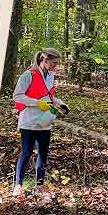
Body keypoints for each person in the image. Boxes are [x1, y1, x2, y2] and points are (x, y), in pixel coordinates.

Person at [11, 48, 66, 196]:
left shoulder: (51, 75)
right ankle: (18, 185)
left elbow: (49, 96)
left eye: (57, 63)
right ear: (45, 60)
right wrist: (36, 103)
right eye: (54, 63)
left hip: (45, 121)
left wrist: (59, 103)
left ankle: (40, 185)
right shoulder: (28, 75)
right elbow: (17, 96)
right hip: (28, 121)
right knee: (27, 152)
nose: (56, 66)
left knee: (43, 154)